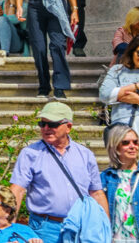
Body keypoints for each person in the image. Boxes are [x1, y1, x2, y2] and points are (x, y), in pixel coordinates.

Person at [7, 102, 102, 243]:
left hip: (81, 227)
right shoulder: (30, 154)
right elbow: (17, 190)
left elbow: (97, 193)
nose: (46, 128)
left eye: (52, 124)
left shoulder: (85, 154)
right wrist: (8, 229)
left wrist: (103, 227)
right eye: (42, 124)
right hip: (44, 228)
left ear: (68, 127)